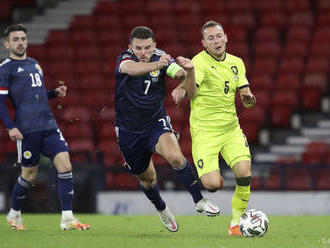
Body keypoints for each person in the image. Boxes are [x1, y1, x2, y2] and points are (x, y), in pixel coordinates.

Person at [114, 26, 219, 232]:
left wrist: (188, 72)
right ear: (130, 47)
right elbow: (131, 69)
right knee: (148, 179)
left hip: (155, 122)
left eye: (147, 47)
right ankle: (162, 208)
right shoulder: (124, 59)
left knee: (176, 157)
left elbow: (181, 76)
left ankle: (199, 200)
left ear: (155, 45)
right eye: (138, 48)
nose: (143, 52)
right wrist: (157, 64)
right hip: (129, 130)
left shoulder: (162, 58)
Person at [0, 24, 90, 230]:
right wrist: (10, 127)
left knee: (66, 166)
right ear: (7, 44)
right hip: (27, 129)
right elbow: (1, 102)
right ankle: (14, 214)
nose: (20, 42)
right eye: (15, 39)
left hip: (48, 125)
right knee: (29, 175)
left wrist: (54, 93)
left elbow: (35, 94)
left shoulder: (35, 64)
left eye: (23, 38)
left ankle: (67, 218)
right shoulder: (5, 69)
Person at [172, 20, 256, 236]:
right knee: (211, 184)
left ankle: (236, 223)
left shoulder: (237, 63)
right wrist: (188, 75)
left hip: (230, 129)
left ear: (226, 37)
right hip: (205, 133)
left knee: (244, 172)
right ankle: (213, 177)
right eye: (211, 38)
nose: (216, 41)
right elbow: (192, 93)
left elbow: (246, 95)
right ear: (204, 43)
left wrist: (248, 98)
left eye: (219, 36)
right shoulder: (198, 62)